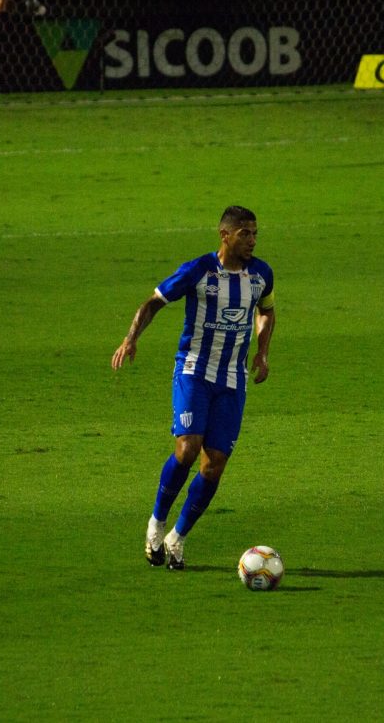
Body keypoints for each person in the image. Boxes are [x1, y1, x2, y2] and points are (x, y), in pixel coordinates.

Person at [111, 206, 276, 570]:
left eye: (255, 234)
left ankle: (178, 537)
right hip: (194, 371)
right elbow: (155, 301)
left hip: (232, 379)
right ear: (225, 235)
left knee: (215, 463)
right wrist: (131, 338)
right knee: (188, 449)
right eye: (245, 233)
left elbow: (266, 311)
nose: (252, 240)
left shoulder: (261, 274)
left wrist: (262, 352)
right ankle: (156, 524)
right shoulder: (198, 271)